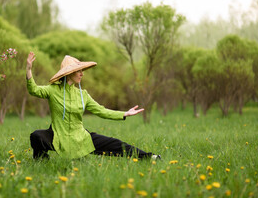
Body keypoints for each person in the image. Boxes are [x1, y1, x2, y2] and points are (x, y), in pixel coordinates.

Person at [27, 52, 160, 160]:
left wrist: (124, 114)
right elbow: (34, 90)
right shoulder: (52, 90)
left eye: (82, 70)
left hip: (80, 136)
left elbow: (101, 110)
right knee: (36, 136)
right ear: (69, 73)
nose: (82, 74)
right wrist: (28, 70)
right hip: (57, 135)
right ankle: (41, 160)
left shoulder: (83, 94)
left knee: (115, 144)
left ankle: (150, 157)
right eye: (78, 71)